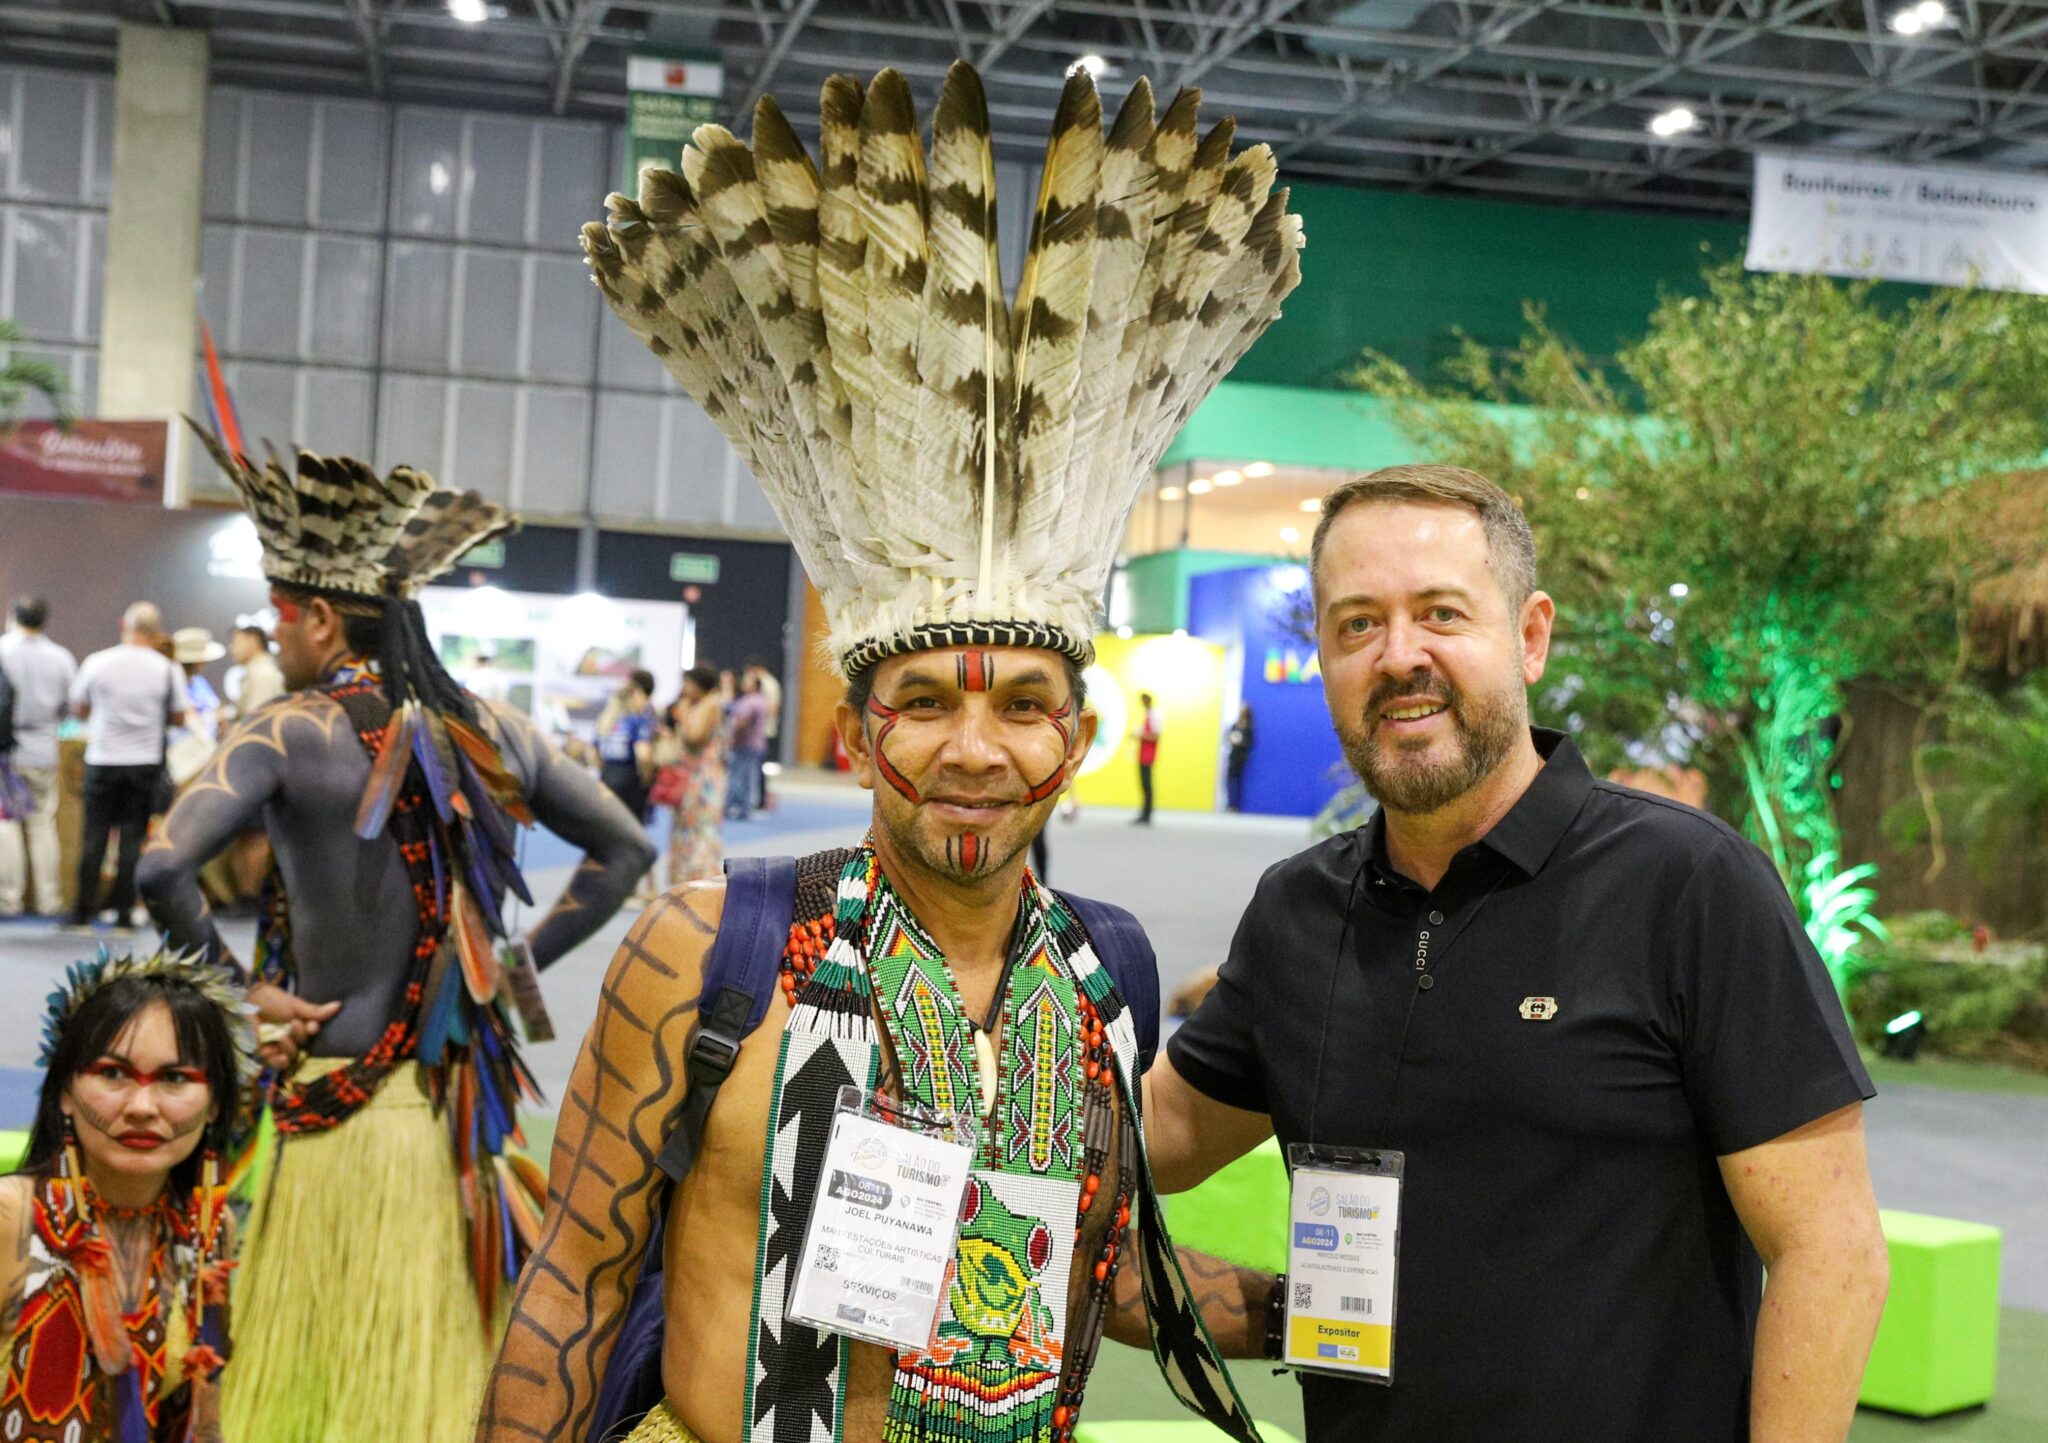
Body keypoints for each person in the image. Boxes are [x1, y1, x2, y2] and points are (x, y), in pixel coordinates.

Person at [479, 59, 1302, 1443]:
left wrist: (1360, 1303)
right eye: (923, 701)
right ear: (859, 734)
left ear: (1076, 740)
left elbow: (1094, 1269)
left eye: (1023, 704)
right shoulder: (712, 950)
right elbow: (574, 1276)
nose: (974, 747)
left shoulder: (1103, 973)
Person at [1145, 464, 1890, 1443]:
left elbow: (1829, 1251)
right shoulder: (1299, 911)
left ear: (1529, 637)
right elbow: (1161, 1131)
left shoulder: (1688, 886)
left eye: (1440, 614)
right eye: (1356, 624)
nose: (1398, 656)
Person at [135, 433, 657, 1443]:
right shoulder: (495, 726)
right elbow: (626, 848)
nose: (275, 635)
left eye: (281, 615)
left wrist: (237, 990)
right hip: (454, 1124)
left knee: (302, 1387)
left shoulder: (286, 730)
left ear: (322, 617)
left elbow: (162, 864)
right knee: (434, 1384)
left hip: (332, 1109)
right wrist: (510, 970)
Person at [0, 946, 250, 1443]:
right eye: (112, 1073)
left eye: (175, 1079)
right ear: (65, 1093)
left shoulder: (206, 1231)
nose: (141, 1107)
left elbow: (204, 1420)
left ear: (214, 1105)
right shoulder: (12, 1217)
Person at [67, 604, 186, 931]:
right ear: (157, 631)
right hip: (144, 763)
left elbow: (79, 709)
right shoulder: (166, 669)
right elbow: (179, 717)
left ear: (124, 624)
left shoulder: (98, 662)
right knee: (132, 840)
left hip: (103, 759)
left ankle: (81, 913)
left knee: (94, 837)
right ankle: (123, 914)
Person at [0, 597, 76, 918]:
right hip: (44, 748)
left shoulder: (3, 650)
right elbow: (71, 707)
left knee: (6, 824)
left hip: (6, 749)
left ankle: (9, 899)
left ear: (13, 616)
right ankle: (48, 899)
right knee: (42, 824)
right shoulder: (60, 657)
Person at [663, 665, 727, 887]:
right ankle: (684, 879)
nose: (685, 689)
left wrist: (683, 713)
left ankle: (700, 879)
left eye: (689, 683)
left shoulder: (711, 704)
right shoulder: (697, 705)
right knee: (685, 828)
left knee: (700, 828)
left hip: (703, 779)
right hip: (689, 776)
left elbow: (694, 737)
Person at [597, 668, 660, 825]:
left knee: (606, 826)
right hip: (629, 780)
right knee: (629, 828)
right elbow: (643, 755)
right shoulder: (639, 719)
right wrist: (647, 777)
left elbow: (595, 750)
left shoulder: (611, 719)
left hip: (607, 775)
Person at [723, 673, 771, 822]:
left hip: (745, 745)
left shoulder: (750, 702)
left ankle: (734, 806)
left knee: (738, 777)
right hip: (755, 745)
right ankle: (745, 807)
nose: (743, 683)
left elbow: (742, 722)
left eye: (747, 681)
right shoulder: (760, 700)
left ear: (755, 685)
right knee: (749, 778)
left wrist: (733, 736)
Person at [742, 658, 782, 810]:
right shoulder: (766, 683)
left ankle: (761, 799)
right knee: (757, 767)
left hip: (762, 730)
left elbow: (773, 708)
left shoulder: (769, 684)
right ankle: (758, 798)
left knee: (759, 767)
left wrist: (760, 724)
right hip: (760, 730)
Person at [223, 625, 285, 721]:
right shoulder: (258, 672)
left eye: (236, 642)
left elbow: (257, 721)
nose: (232, 648)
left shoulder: (262, 675)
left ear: (253, 641)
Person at [1130, 693, 1160, 825]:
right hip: (1143, 755)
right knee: (1144, 785)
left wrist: (1140, 735)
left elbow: (1155, 736)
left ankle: (1147, 814)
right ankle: (1144, 813)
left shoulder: (1155, 716)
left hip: (1148, 755)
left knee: (1147, 785)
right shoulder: (1148, 715)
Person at [1224, 703, 1253, 812]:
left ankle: (1235, 805)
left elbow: (1248, 742)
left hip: (1241, 758)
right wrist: (1232, 739)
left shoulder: (1248, 728)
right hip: (1233, 757)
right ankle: (1230, 804)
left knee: (1238, 782)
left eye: (1243, 710)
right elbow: (1228, 737)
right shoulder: (1235, 726)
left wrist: (1240, 742)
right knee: (1230, 780)